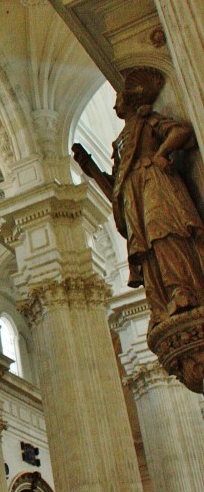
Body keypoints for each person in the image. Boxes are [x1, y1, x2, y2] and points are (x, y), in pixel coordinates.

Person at [72, 66, 204, 329]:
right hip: (132, 194)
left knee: (164, 231)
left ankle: (183, 289)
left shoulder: (148, 121)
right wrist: (90, 169)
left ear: (131, 100)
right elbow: (115, 189)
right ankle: (161, 300)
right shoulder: (119, 141)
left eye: (118, 99)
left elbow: (182, 132)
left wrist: (160, 153)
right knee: (145, 247)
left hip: (153, 182)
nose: (114, 106)